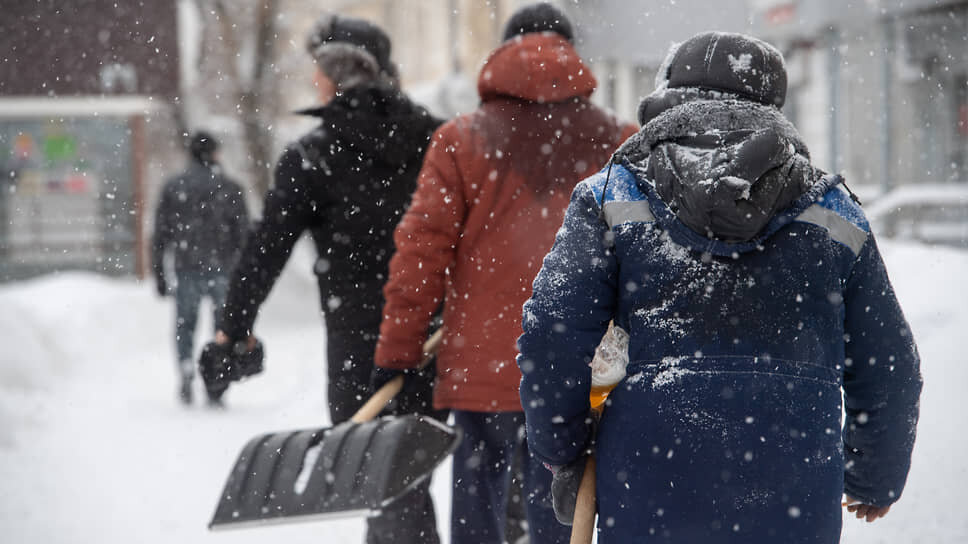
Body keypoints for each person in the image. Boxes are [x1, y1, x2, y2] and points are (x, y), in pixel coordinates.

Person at [516, 31, 923, 543]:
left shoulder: (611, 195)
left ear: (665, 98)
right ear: (774, 105)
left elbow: (552, 335)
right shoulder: (833, 213)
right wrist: (873, 476)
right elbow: (888, 363)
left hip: (647, 482)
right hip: (791, 488)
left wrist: (563, 446)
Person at [370, 4, 638, 543]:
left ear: (503, 53)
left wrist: (397, 352)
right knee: (562, 499)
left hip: (482, 365)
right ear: (571, 56)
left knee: (478, 500)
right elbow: (641, 258)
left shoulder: (459, 140)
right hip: (580, 363)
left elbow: (421, 254)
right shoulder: (619, 141)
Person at [214, 13, 445, 544]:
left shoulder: (314, 156)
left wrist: (233, 327)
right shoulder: (438, 140)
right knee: (410, 482)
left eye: (317, 66)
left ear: (336, 72)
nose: (312, 78)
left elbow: (264, 249)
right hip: (434, 337)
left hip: (358, 346)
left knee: (386, 484)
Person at [152, 131, 249, 405]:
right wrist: (244, 273)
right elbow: (243, 235)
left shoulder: (174, 187)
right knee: (222, 328)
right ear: (214, 154)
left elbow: (161, 234)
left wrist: (159, 272)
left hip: (187, 267)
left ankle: (186, 367)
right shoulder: (230, 187)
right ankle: (216, 380)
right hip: (223, 268)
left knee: (185, 325)